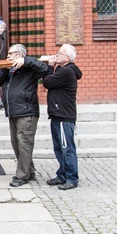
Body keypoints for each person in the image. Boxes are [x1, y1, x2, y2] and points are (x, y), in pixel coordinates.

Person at [0, 44, 49, 187]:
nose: (8, 56)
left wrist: (27, 61)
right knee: (16, 143)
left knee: (24, 143)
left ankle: (22, 176)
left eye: (11, 54)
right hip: (12, 111)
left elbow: (45, 69)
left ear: (19, 55)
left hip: (26, 111)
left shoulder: (30, 68)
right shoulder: (9, 69)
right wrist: (3, 67)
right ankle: (30, 171)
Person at [42, 44, 83, 190]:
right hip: (57, 115)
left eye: (59, 53)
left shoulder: (67, 72)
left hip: (64, 116)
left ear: (67, 57)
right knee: (59, 148)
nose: (56, 55)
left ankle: (72, 178)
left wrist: (49, 66)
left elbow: (46, 82)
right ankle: (62, 175)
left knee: (67, 148)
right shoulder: (62, 70)